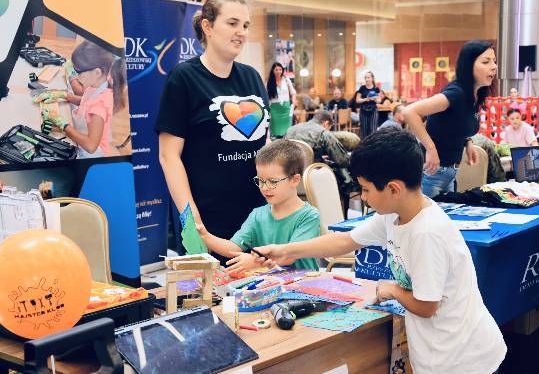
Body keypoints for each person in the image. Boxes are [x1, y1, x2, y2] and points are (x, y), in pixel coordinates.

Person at [254, 129, 507, 374]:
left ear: (394, 189)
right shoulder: (395, 214)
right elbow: (345, 241)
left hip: (464, 361)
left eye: (365, 189)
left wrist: (391, 289)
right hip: (443, 353)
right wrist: (285, 250)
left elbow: (428, 305)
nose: (363, 197)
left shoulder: (426, 232)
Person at [155, 0, 270, 265]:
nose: (241, 31)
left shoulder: (252, 77)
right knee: (208, 299)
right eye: (232, 23)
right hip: (208, 218)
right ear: (207, 26)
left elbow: (266, 145)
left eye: (245, 25)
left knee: (260, 297)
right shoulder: (183, 79)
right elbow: (168, 157)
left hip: (258, 213)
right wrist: (192, 221)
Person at [198, 140, 320, 273]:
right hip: (269, 287)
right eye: (260, 181)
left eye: (272, 181)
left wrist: (254, 262)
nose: (264, 188)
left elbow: (288, 256)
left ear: (295, 180)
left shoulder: (309, 216)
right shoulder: (257, 215)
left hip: (303, 287)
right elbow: (233, 247)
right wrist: (206, 236)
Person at [403, 40, 497, 198]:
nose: (493, 66)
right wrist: (431, 149)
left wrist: (467, 142)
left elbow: (453, 123)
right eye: (486, 62)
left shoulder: (474, 94)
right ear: (468, 65)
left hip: (449, 173)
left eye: (494, 61)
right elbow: (410, 112)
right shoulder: (456, 93)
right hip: (431, 173)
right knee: (428, 221)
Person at [35, 40, 126, 158]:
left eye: (79, 73)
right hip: (81, 138)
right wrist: (63, 95)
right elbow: (86, 102)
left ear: (97, 72)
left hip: (88, 155)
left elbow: (91, 146)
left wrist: (63, 125)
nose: (76, 77)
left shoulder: (99, 107)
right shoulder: (97, 85)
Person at [285, 110, 354, 206]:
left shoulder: (290, 130)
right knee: (345, 176)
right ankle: (339, 212)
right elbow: (342, 160)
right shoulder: (323, 133)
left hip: (290, 179)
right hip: (312, 180)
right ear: (326, 123)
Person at [266, 62, 296, 139]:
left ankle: (286, 145)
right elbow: (265, 96)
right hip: (274, 108)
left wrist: (293, 102)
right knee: (275, 129)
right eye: (276, 70)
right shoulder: (268, 82)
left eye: (280, 69)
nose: (279, 71)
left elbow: (293, 92)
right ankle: (276, 145)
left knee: (287, 129)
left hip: (286, 107)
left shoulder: (286, 80)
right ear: (273, 71)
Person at [356, 71, 381, 138]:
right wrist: (366, 99)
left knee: (373, 130)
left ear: (372, 78)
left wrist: (375, 99)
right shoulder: (362, 88)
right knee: (363, 131)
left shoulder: (376, 88)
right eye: (365, 77)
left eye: (368, 77)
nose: (367, 79)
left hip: (373, 110)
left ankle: (373, 146)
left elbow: (379, 100)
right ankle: (364, 146)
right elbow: (357, 100)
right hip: (363, 110)